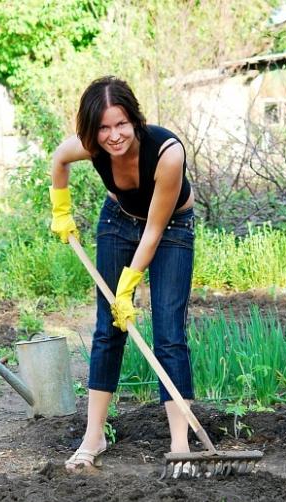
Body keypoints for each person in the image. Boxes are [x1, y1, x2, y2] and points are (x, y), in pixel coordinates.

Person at [49, 76, 196, 473]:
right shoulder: (91, 146)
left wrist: (128, 286)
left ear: (135, 120)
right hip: (116, 222)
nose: (113, 136)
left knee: (168, 333)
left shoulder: (167, 154)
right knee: (107, 330)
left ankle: (180, 445)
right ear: (92, 130)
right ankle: (93, 437)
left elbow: (154, 230)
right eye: (103, 127)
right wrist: (60, 209)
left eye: (121, 124)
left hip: (170, 229)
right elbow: (58, 160)